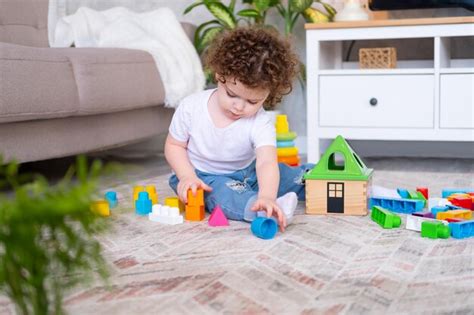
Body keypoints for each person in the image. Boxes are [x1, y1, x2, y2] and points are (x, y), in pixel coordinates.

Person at [165, 27, 314, 231]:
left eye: (252, 101)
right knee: (224, 195)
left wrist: (267, 195)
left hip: (250, 172)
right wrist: (186, 176)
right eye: (232, 94)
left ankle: (327, 177)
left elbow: (266, 162)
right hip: (203, 177)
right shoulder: (191, 108)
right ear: (219, 75)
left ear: (268, 95)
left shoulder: (261, 121)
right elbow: (174, 145)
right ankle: (263, 210)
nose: (239, 106)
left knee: (290, 175)